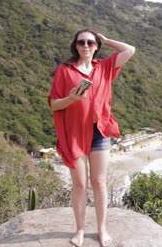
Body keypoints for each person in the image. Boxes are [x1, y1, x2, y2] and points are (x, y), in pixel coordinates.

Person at [48, 28, 135, 247]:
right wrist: (71, 98)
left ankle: (101, 229)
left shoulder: (104, 67)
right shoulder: (65, 70)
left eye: (90, 42)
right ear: (75, 46)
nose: (85, 46)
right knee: (79, 184)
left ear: (96, 46)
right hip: (74, 133)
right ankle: (79, 230)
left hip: (99, 131)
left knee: (99, 182)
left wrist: (106, 40)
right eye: (81, 42)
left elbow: (130, 50)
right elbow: (54, 103)